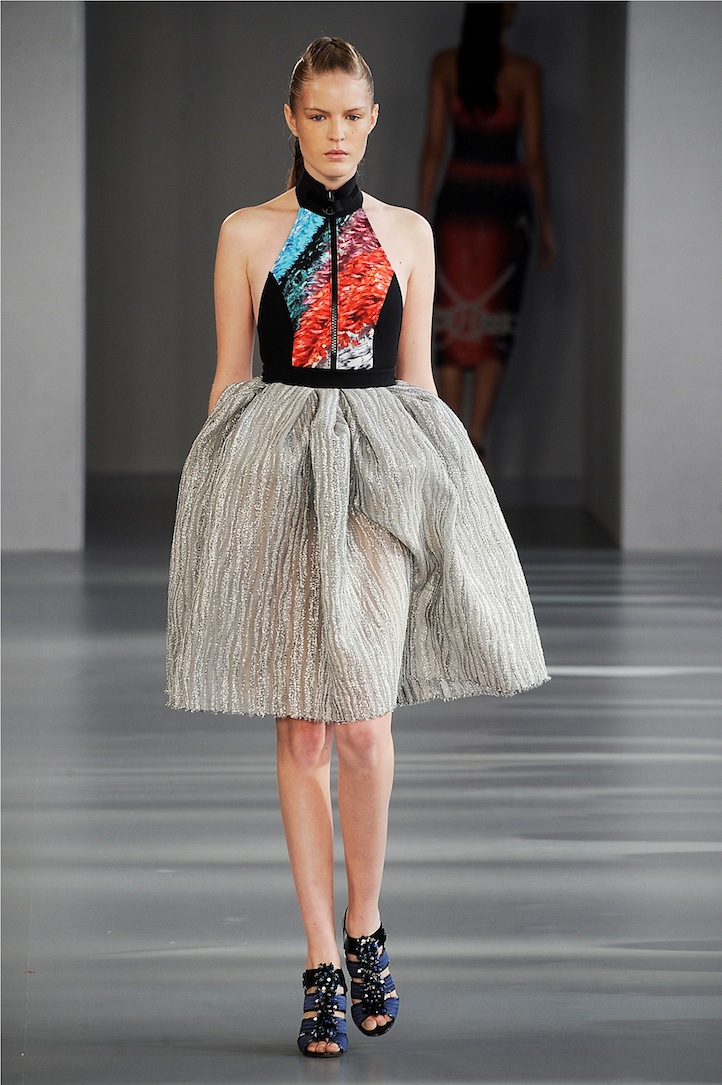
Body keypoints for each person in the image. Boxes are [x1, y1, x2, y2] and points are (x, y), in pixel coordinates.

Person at [167, 36, 548, 1059]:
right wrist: (215, 511)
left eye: (351, 116)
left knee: (366, 728)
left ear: (374, 120)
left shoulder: (410, 234)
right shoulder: (247, 232)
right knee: (302, 730)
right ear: (290, 120)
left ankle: (365, 924)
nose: (335, 134)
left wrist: (448, 508)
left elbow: (416, 383)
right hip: (281, 475)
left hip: (379, 475)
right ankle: (316, 963)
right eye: (318, 116)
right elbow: (230, 378)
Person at [419, 2, 555, 459]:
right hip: (503, 209)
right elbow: (533, 156)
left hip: (456, 205)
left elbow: (433, 147)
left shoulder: (445, 66)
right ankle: (474, 441)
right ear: (504, 12)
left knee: (453, 324)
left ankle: (451, 444)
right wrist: (546, 224)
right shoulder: (524, 74)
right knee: (492, 324)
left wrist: (421, 216)